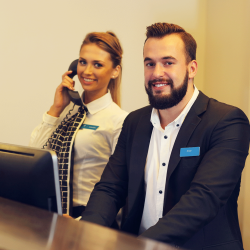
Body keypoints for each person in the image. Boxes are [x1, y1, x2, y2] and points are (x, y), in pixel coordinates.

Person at [80, 23, 250, 249]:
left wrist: (138, 246)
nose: (157, 73)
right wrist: (86, 235)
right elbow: (110, 188)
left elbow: (203, 200)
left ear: (192, 68)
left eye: (168, 63)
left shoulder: (227, 121)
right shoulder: (134, 122)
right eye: (150, 63)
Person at [29, 31, 128, 219]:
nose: (87, 71)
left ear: (115, 70)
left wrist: (81, 222)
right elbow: (35, 156)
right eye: (83, 62)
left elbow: (121, 188)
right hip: (50, 215)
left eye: (97, 64)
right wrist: (56, 109)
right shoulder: (66, 112)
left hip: (87, 219)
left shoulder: (119, 121)